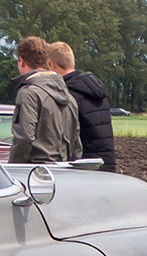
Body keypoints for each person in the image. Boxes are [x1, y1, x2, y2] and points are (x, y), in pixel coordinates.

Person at [10, 35, 81, 164]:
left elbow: (24, 138)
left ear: (21, 61)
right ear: (47, 61)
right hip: (64, 170)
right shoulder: (69, 97)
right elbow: (76, 144)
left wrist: (14, 168)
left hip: (35, 173)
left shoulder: (28, 93)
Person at [46, 40, 116, 171]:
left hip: (83, 165)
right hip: (106, 163)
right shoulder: (97, 90)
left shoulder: (67, 94)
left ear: (51, 64)